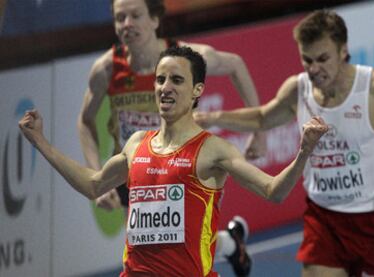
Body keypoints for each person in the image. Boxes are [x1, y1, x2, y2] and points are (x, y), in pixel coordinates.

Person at [20, 45, 327, 276]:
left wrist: (303, 152)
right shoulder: (137, 143)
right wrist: (41, 142)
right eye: (160, 79)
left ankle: (232, 245)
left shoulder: (213, 150)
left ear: (197, 91)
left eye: (176, 80)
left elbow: (274, 190)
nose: (165, 87)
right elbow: (93, 184)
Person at [194, 9, 374, 277]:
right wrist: (212, 117)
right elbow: (263, 117)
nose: (313, 69)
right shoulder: (299, 89)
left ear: (343, 50)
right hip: (324, 220)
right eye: (306, 60)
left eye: (322, 59)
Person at [77, 1, 265, 273]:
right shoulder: (107, 69)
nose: (127, 23)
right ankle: (232, 243)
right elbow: (85, 121)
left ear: (155, 20)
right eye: (120, 18)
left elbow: (236, 65)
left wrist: (257, 131)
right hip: (138, 170)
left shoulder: (186, 60)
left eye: (135, 15)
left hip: (184, 167)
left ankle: (228, 245)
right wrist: (98, 175)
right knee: (160, 244)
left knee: (184, 248)